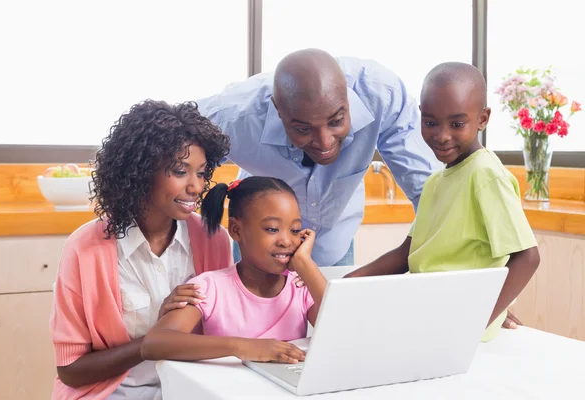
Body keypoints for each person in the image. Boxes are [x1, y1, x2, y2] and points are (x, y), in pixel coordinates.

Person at [49, 100, 232, 399]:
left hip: (191, 389)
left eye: (201, 173)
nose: (196, 187)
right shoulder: (85, 249)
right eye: (179, 170)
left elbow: (222, 333)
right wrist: (158, 337)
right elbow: (71, 370)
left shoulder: (214, 240)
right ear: (140, 170)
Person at [345, 62, 540, 340]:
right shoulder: (436, 181)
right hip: (428, 307)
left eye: (457, 124)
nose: (442, 135)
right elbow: (406, 255)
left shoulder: (485, 174)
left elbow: (527, 256)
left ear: (483, 119)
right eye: (431, 123)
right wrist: (348, 283)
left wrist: (485, 315)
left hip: (456, 321)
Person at [196, 48, 441, 267]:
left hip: (334, 245)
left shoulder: (381, 95)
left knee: (331, 317)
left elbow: (429, 192)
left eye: (336, 121)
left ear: (347, 97)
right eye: (303, 129)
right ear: (278, 109)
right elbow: (167, 137)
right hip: (257, 250)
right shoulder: (232, 116)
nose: (325, 143)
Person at [140, 176, 326, 364]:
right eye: (272, 229)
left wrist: (305, 264)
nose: (287, 241)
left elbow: (347, 333)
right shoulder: (208, 288)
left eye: (295, 230)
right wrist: (242, 347)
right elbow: (154, 343)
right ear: (236, 230)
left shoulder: (301, 286)